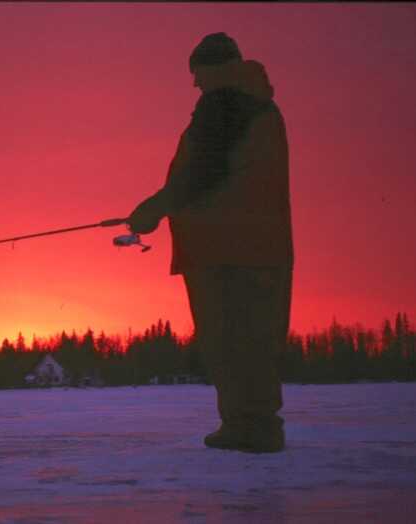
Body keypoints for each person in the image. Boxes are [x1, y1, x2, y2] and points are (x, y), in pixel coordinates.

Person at [127, 33, 294, 453]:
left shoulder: (224, 104)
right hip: (263, 246)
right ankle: (253, 425)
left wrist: (151, 209)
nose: (194, 84)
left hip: (223, 247)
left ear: (212, 69)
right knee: (254, 336)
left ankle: (249, 428)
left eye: (196, 74)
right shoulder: (260, 104)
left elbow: (199, 174)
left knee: (229, 338)